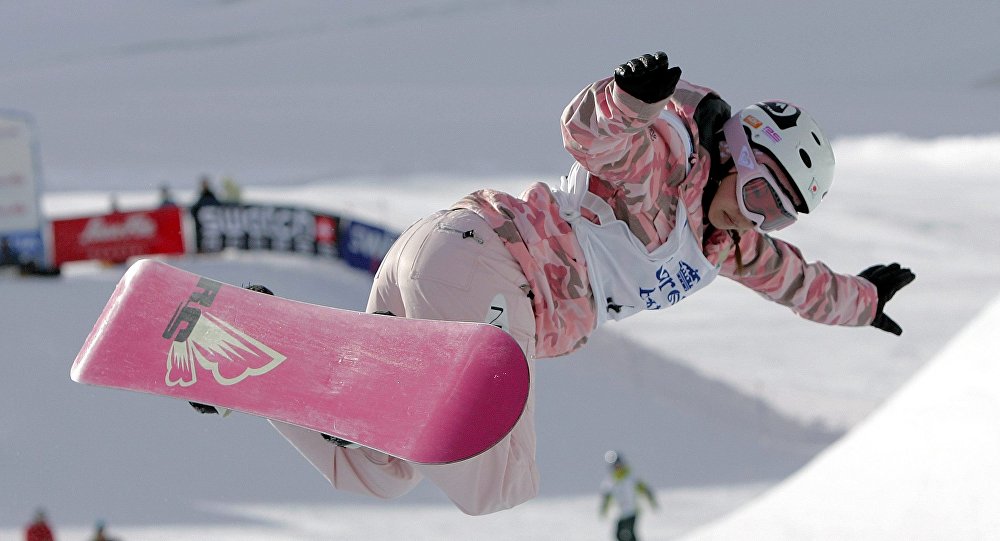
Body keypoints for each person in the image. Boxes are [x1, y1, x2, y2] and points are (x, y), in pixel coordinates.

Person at [267, 51, 915, 515]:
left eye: (773, 213)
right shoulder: (668, 169)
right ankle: (353, 388)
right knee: (499, 481)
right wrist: (628, 100)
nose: (751, 215)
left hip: (445, 264)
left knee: (380, 473)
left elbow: (800, 282)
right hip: (488, 268)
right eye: (754, 192)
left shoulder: (729, 247)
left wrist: (865, 300)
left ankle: (263, 354)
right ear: (732, 153)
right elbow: (592, 136)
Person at [600, 451, 658, 541]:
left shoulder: (630, 477)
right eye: (615, 466)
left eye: (618, 465)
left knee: (628, 533)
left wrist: (651, 499)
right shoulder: (611, 481)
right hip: (622, 513)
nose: (617, 468)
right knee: (619, 534)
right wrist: (604, 509)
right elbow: (607, 497)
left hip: (632, 511)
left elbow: (644, 488)